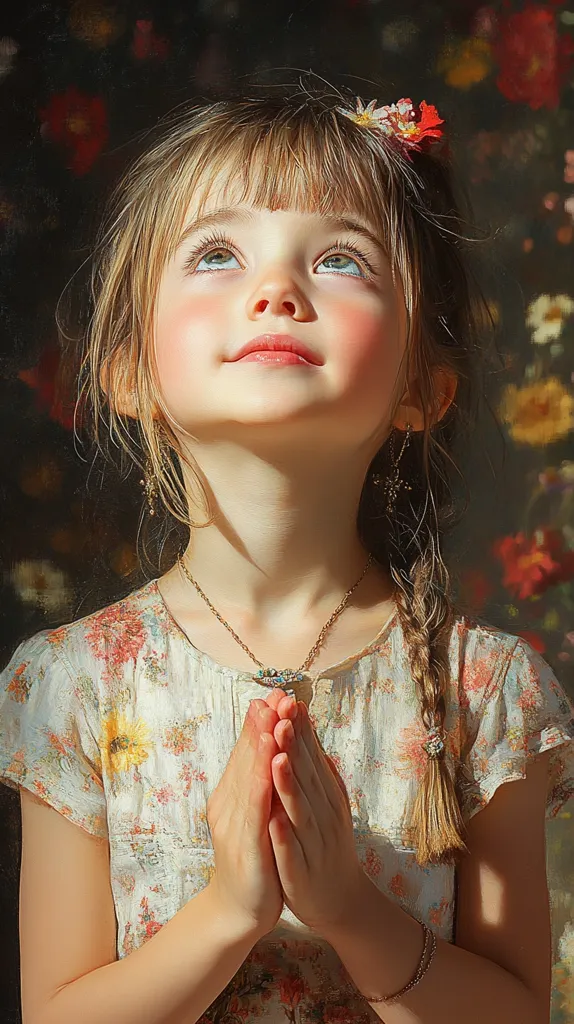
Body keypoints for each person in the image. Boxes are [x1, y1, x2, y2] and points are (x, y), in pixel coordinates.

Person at [1, 86, 573, 1024]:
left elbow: (517, 1015)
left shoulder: (486, 693)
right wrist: (230, 911)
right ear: (128, 372)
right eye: (217, 254)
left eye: (342, 259)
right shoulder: (68, 687)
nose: (277, 290)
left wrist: (349, 910)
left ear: (423, 387)